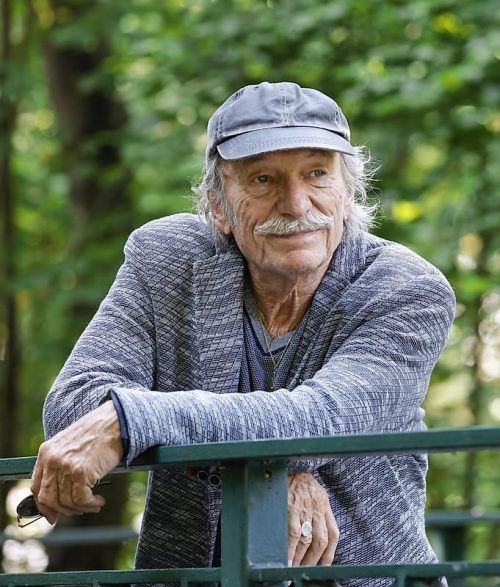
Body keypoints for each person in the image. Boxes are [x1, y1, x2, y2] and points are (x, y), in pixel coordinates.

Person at [31, 82, 454, 587]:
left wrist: (134, 419)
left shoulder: (407, 289)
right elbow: (74, 407)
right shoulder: (167, 260)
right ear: (218, 205)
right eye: (263, 179)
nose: (295, 203)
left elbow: (327, 419)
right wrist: (283, 465)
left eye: (317, 174)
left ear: (347, 194)